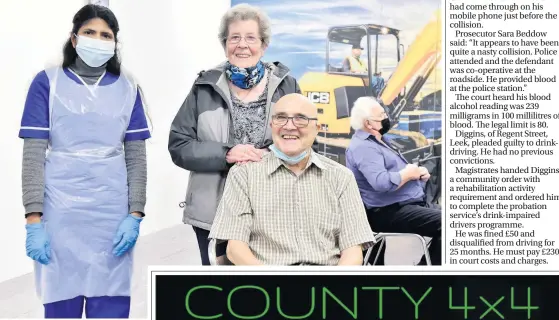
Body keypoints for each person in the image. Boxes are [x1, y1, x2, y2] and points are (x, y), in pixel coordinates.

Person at [19, 5, 150, 318]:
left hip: (111, 210)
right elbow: (33, 155)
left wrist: (135, 213)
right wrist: (33, 220)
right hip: (60, 212)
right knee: (61, 300)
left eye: (106, 35)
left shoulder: (128, 87)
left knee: (111, 301)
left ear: (115, 43)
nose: (98, 39)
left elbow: (136, 156)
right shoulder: (47, 84)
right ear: (74, 39)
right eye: (90, 32)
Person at [168, 4, 316, 266]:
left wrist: (270, 154)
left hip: (274, 210)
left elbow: (303, 139)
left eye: (251, 37)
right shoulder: (204, 86)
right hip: (213, 211)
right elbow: (179, 145)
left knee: (268, 289)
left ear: (264, 44)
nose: (242, 45)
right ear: (225, 43)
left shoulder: (286, 85)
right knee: (220, 293)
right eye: (234, 37)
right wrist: (227, 154)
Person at [208, 93, 375, 266]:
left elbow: (353, 253)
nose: (289, 126)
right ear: (272, 125)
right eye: (281, 118)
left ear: (317, 128)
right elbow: (235, 250)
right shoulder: (244, 174)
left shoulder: (342, 177)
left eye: (300, 119)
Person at [345, 96, 441, 265]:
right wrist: (408, 174)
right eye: (381, 115)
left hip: (407, 205)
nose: (386, 117)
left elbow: (394, 172)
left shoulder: (380, 141)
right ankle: (430, 277)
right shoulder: (364, 147)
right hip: (388, 212)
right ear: (368, 123)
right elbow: (381, 183)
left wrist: (417, 173)